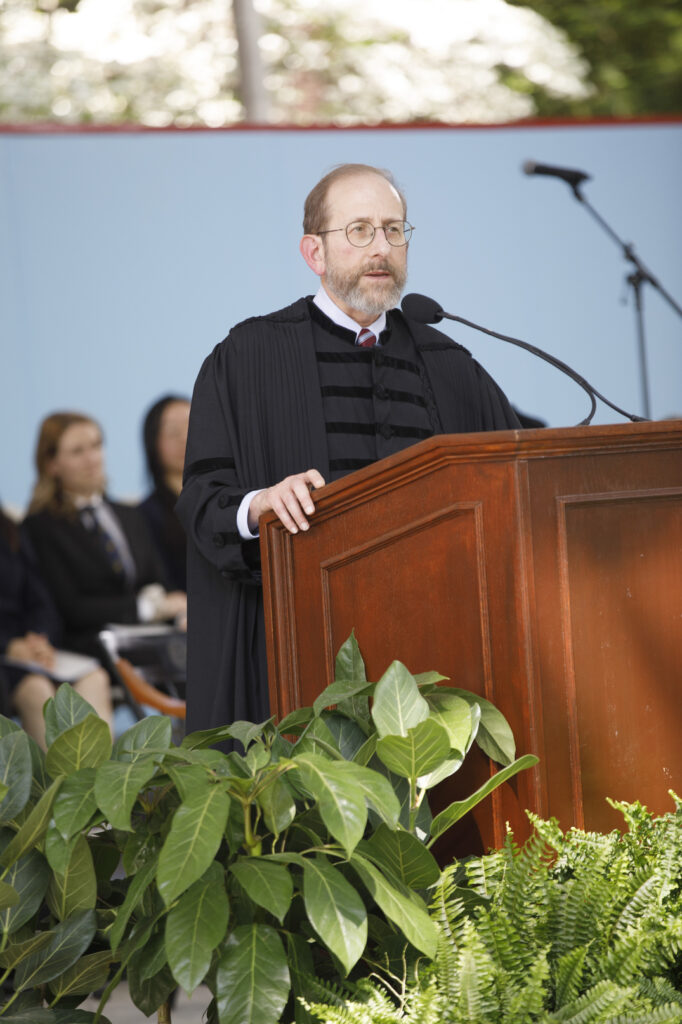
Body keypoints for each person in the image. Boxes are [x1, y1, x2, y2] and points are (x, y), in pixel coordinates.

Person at [177, 163, 521, 735]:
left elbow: (512, 477)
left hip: (437, 653)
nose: (381, 247)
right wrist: (260, 504)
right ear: (315, 252)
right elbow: (201, 500)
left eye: (394, 229)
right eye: (359, 230)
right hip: (309, 653)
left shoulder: (448, 363)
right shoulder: (249, 358)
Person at [23, 412, 187, 660]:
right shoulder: (40, 527)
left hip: (152, 637)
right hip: (94, 646)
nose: (93, 459)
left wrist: (180, 615)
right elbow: (70, 608)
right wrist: (147, 608)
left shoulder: (130, 515)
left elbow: (161, 581)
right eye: (78, 451)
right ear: (51, 464)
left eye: (97, 445)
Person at [0, 506, 112, 748]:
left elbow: (41, 599)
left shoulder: (9, 529)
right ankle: (54, 785)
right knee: (35, 689)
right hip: (7, 658)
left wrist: (40, 638)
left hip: (32, 650)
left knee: (95, 678)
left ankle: (98, 781)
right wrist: (8, 644)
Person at [138, 395, 191, 591]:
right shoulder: (145, 516)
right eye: (172, 432)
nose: (185, 437)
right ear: (153, 442)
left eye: (192, 426)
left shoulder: (231, 499)